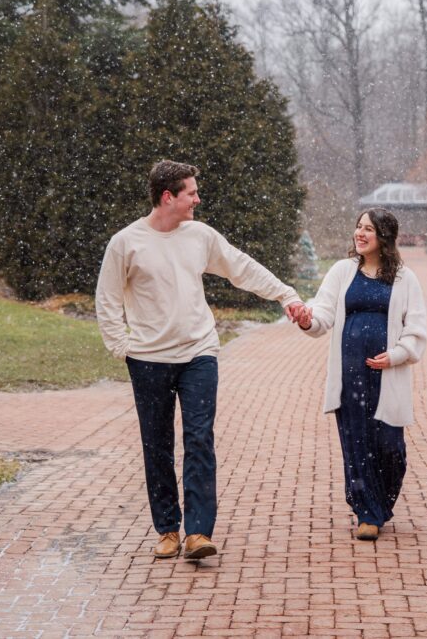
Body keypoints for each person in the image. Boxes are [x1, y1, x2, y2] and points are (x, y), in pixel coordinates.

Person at [96, 160, 307, 560]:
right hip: (148, 359)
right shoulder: (126, 242)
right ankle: (167, 529)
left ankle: (198, 533)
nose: (197, 199)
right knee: (156, 445)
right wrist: (121, 346)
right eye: (191, 192)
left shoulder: (200, 236)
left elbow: (240, 267)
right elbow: (106, 300)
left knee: (199, 439)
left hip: (198, 354)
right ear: (167, 197)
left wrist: (286, 294)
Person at [296, 208, 427, 540]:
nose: (360, 233)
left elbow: (416, 328)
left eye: (368, 229)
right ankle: (367, 513)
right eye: (358, 227)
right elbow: (323, 311)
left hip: (387, 375)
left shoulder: (403, 278)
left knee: (390, 448)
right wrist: (306, 319)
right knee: (357, 444)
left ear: (384, 236)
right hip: (350, 374)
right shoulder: (342, 272)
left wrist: (396, 355)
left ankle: (381, 502)